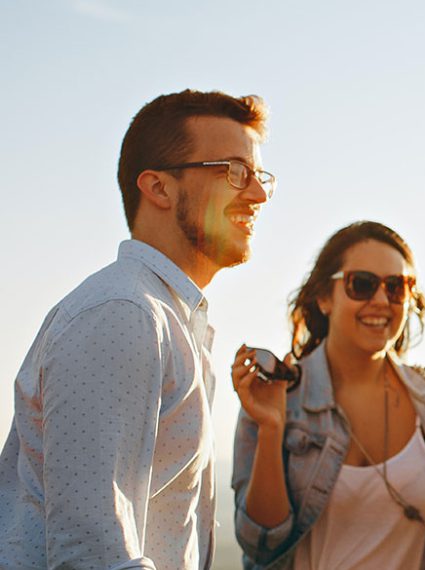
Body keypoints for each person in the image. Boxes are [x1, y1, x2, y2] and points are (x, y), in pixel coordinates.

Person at [0, 90, 272, 568]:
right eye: (234, 171)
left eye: (259, 176)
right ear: (159, 188)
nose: (258, 194)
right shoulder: (123, 313)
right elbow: (92, 554)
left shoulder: (171, 322)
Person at [231, 221, 425, 570]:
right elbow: (261, 543)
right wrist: (271, 429)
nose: (381, 300)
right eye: (362, 284)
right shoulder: (277, 396)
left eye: (397, 287)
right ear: (324, 297)